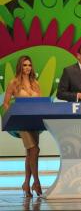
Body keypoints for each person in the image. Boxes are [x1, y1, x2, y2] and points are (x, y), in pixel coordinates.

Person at [2, 56, 42, 197]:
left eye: (29, 65)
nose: (27, 68)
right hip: (21, 122)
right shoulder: (14, 83)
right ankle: (36, 182)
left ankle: (26, 184)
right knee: (34, 149)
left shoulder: (35, 83)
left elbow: (41, 103)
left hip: (34, 122)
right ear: (20, 66)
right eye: (25, 65)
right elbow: (6, 103)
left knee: (31, 153)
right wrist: (13, 115)